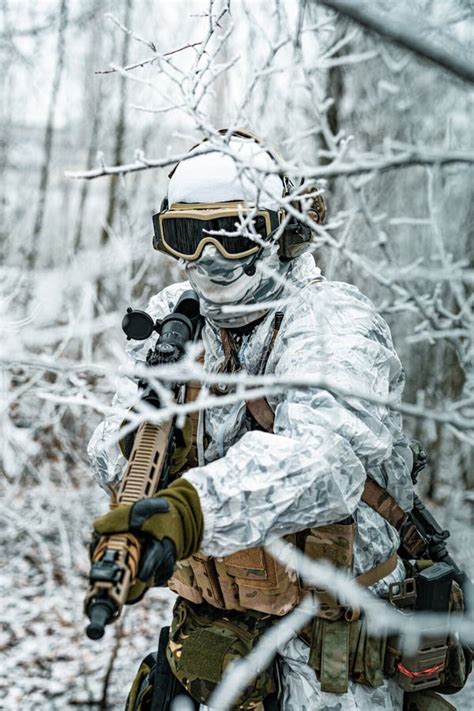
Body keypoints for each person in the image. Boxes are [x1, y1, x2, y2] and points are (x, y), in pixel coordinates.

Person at [88, 130, 417, 710]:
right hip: (208, 639)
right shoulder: (176, 320)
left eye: (233, 235)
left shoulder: (330, 319)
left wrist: (193, 509)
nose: (209, 259)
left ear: (278, 230)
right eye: (189, 236)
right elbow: (110, 450)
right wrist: (140, 490)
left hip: (325, 653)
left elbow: (323, 461)